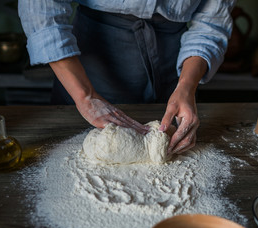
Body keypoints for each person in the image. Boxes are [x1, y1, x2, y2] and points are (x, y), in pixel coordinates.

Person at [18, 0, 236, 154]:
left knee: (167, 137)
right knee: (67, 146)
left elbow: (211, 23)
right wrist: (85, 96)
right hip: (88, 63)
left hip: (173, 58)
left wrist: (186, 87)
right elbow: (41, 8)